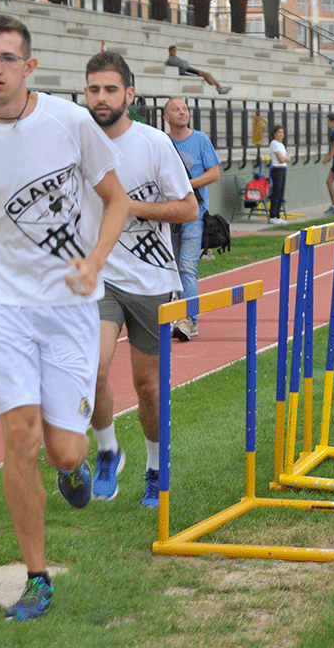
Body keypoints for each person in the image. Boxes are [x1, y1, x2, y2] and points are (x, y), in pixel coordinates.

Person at [0, 14, 128, 621]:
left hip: (68, 304)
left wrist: (95, 262)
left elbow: (116, 200)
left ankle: (75, 466)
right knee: (19, 432)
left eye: (7, 58)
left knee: (64, 452)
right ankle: (37, 576)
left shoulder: (69, 122)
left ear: (29, 65)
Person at [83, 53, 199, 507]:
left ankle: (155, 466)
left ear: (129, 95)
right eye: (94, 89)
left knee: (147, 387)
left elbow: (188, 209)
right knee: (91, 368)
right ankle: (108, 449)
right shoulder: (78, 142)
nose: (102, 98)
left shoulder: (153, 144)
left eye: (111, 89)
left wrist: (131, 207)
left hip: (150, 280)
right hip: (100, 276)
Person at [164, 96, 221, 341]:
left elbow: (214, 173)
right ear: (166, 117)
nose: (182, 112)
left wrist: (185, 184)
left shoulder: (200, 140)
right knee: (171, 269)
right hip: (167, 215)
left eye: (185, 108)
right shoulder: (161, 142)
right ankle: (178, 315)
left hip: (193, 214)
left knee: (187, 267)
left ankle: (189, 320)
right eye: (176, 109)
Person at [165, 45, 231, 94]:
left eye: (175, 50)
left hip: (188, 68)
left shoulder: (176, 58)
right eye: (173, 51)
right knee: (205, 75)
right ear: (170, 51)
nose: (175, 52)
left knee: (208, 74)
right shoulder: (171, 59)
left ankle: (220, 87)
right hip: (185, 71)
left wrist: (184, 63)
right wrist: (184, 63)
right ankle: (217, 89)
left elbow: (185, 62)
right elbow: (183, 64)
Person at [268, 124, 290, 225]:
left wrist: (285, 158)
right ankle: (273, 215)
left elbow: (288, 158)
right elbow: (282, 159)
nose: (281, 134)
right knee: (276, 192)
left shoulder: (282, 145)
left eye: (282, 132)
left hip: (283, 169)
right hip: (277, 169)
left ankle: (278, 215)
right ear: (275, 134)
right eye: (279, 132)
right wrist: (285, 158)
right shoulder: (274, 143)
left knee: (281, 193)